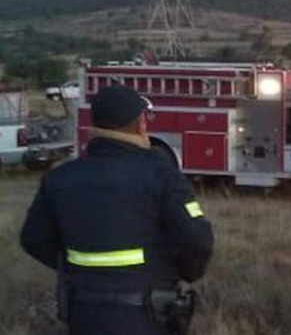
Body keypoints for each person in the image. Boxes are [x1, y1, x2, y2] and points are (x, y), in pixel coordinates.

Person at [20, 85, 214, 335]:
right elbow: (197, 241)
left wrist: (79, 269)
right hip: (147, 317)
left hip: (84, 315)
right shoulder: (163, 177)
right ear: (141, 124)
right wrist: (181, 272)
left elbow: (33, 239)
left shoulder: (58, 179)